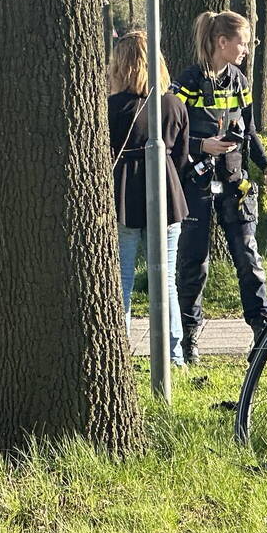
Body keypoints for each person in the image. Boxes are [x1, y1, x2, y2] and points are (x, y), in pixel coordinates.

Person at [172, 10, 267, 363]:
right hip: (196, 183)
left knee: (249, 258)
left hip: (235, 181)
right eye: (243, 43)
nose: (247, 50)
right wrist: (201, 146)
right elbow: (168, 134)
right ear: (222, 42)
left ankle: (263, 334)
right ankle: (189, 340)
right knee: (194, 263)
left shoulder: (239, 81)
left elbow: (248, 132)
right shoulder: (188, 82)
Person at [108, 31, 190, 366]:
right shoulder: (174, 104)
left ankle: (118, 352)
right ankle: (174, 354)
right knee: (166, 278)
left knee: (120, 279)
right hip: (167, 192)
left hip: (125, 192)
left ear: (121, 65)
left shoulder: (111, 107)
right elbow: (182, 157)